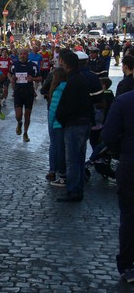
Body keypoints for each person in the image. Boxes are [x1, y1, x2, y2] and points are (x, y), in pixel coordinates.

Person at [101, 89, 134, 283]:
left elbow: (109, 135)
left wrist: (123, 152)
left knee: (129, 215)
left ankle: (128, 265)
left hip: (130, 163)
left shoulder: (123, 101)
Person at [55, 51, 93, 203]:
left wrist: (61, 118)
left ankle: (73, 190)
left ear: (64, 62)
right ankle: (78, 188)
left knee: (72, 160)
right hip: (83, 123)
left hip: (74, 124)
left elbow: (70, 105)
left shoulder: (73, 81)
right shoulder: (80, 78)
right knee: (79, 158)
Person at [9, 48, 40, 142]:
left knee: (27, 115)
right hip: (18, 92)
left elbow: (40, 78)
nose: (23, 55)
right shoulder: (15, 65)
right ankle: (19, 122)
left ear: (28, 55)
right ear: (19, 55)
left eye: (24, 54)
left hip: (29, 92)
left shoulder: (33, 65)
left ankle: (25, 133)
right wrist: (11, 78)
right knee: (18, 115)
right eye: (21, 54)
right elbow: (9, 74)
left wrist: (33, 79)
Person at [47, 68, 68, 186]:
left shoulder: (57, 90)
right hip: (67, 123)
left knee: (58, 148)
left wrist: (51, 123)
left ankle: (62, 175)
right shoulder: (69, 87)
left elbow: (53, 110)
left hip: (58, 124)